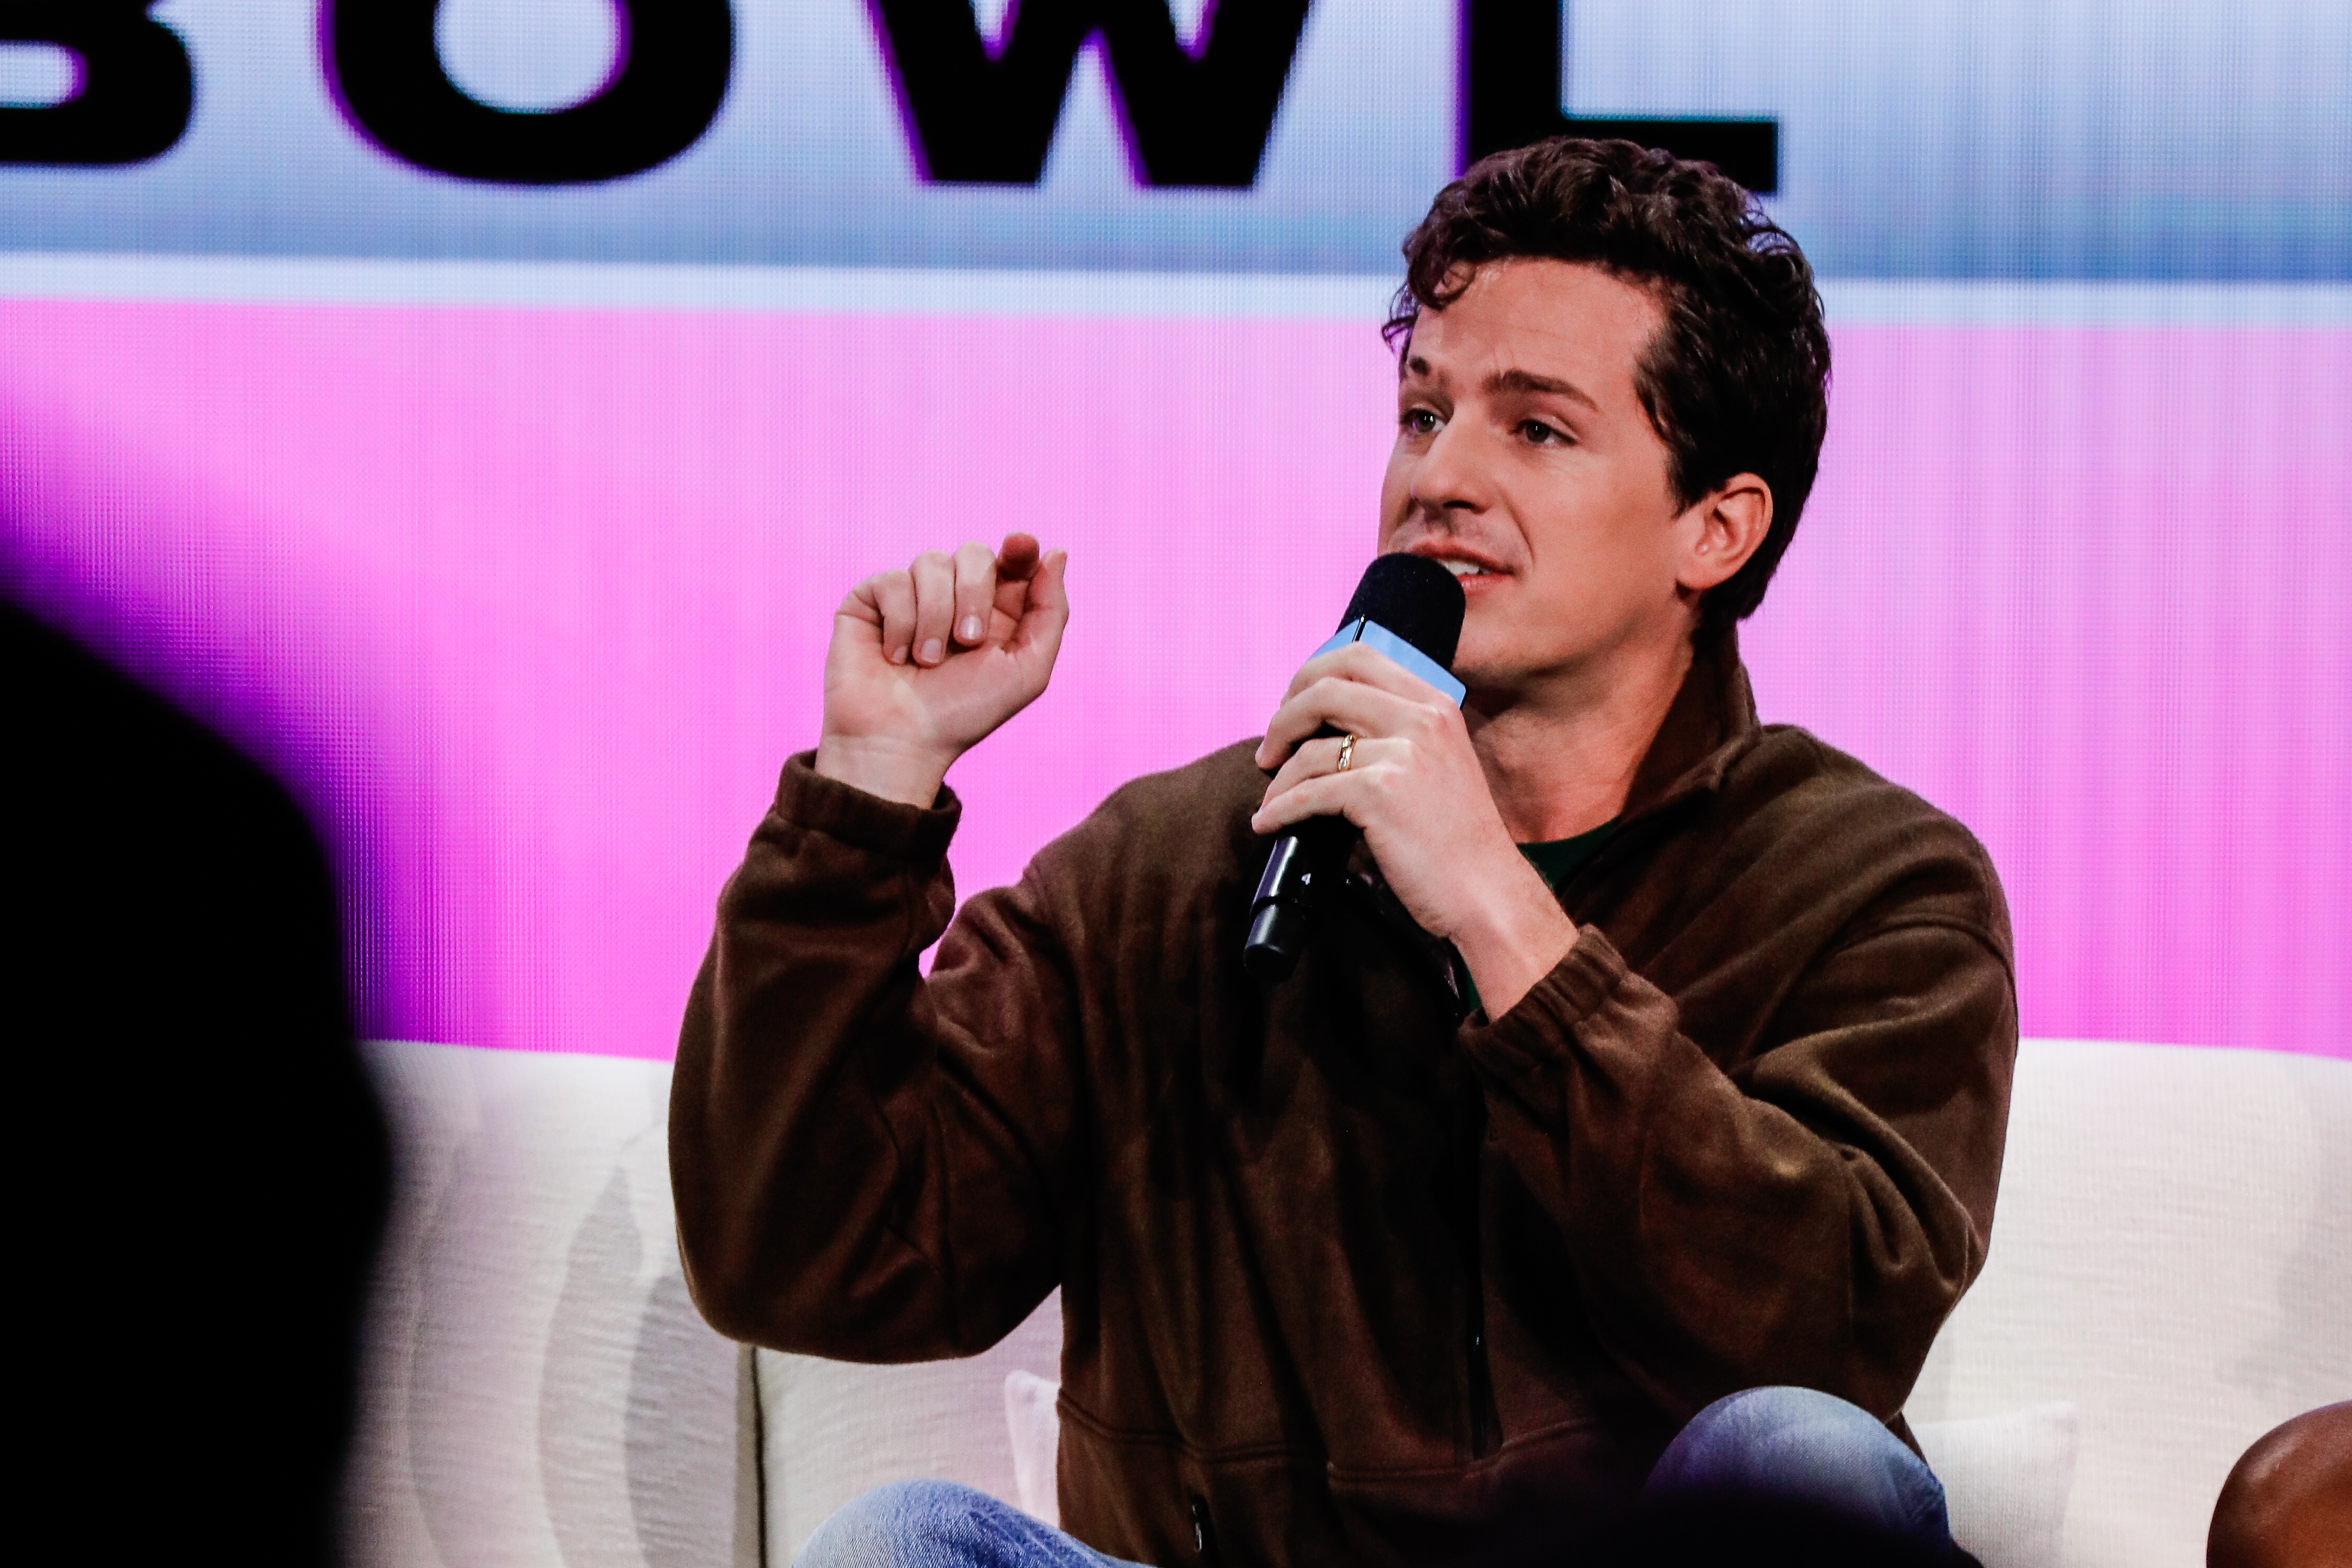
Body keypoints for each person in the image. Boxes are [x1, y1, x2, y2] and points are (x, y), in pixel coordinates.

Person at [670, 138, 2016, 1566]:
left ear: (1713, 526)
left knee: (1797, 1454)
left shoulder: (1871, 884)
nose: (1439, 477)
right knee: (900, 1543)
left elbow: (1830, 1331)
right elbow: (805, 1257)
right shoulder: (1176, 865)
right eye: (1422, 414)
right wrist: (869, 791)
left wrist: (1500, 916)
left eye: (1535, 429)